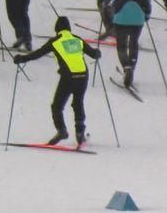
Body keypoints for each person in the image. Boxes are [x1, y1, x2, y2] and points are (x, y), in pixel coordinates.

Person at [14, 16, 102, 145]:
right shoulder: (77, 39)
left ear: (57, 29)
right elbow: (94, 54)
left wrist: (22, 59)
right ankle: (80, 132)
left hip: (68, 77)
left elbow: (38, 54)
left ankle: (62, 131)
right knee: (78, 103)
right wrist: (97, 53)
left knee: (57, 106)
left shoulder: (55, 41)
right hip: (83, 75)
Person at [97, 0, 150, 89]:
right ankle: (132, 66)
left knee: (121, 44)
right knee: (134, 42)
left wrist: (104, 5)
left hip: (121, 16)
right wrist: (147, 15)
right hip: (138, 17)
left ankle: (126, 67)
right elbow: (147, 1)